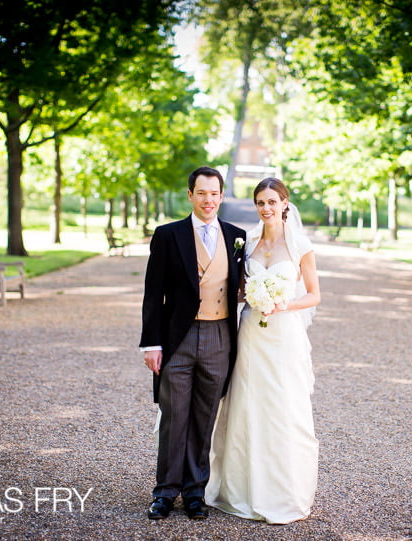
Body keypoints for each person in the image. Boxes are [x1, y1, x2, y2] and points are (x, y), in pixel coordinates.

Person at [205, 177, 321, 524]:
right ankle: (241, 489)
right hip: (251, 333)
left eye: (272, 201)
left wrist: (281, 304)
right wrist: (253, 297)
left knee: (283, 407)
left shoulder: (301, 245)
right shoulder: (248, 241)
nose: (266, 208)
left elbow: (314, 295)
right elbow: (238, 288)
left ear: (285, 203)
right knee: (246, 405)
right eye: (260, 203)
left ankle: (282, 492)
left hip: (284, 336)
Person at [139, 166, 246, 520]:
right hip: (177, 338)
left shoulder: (236, 235)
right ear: (190, 195)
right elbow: (153, 294)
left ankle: (195, 492)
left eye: (214, 193)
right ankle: (165, 493)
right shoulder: (168, 235)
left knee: (204, 418)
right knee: (174, 417)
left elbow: (240, 288)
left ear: (221, 195)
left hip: (220, 337)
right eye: (202, 193)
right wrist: (150, 344)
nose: (208, 200)